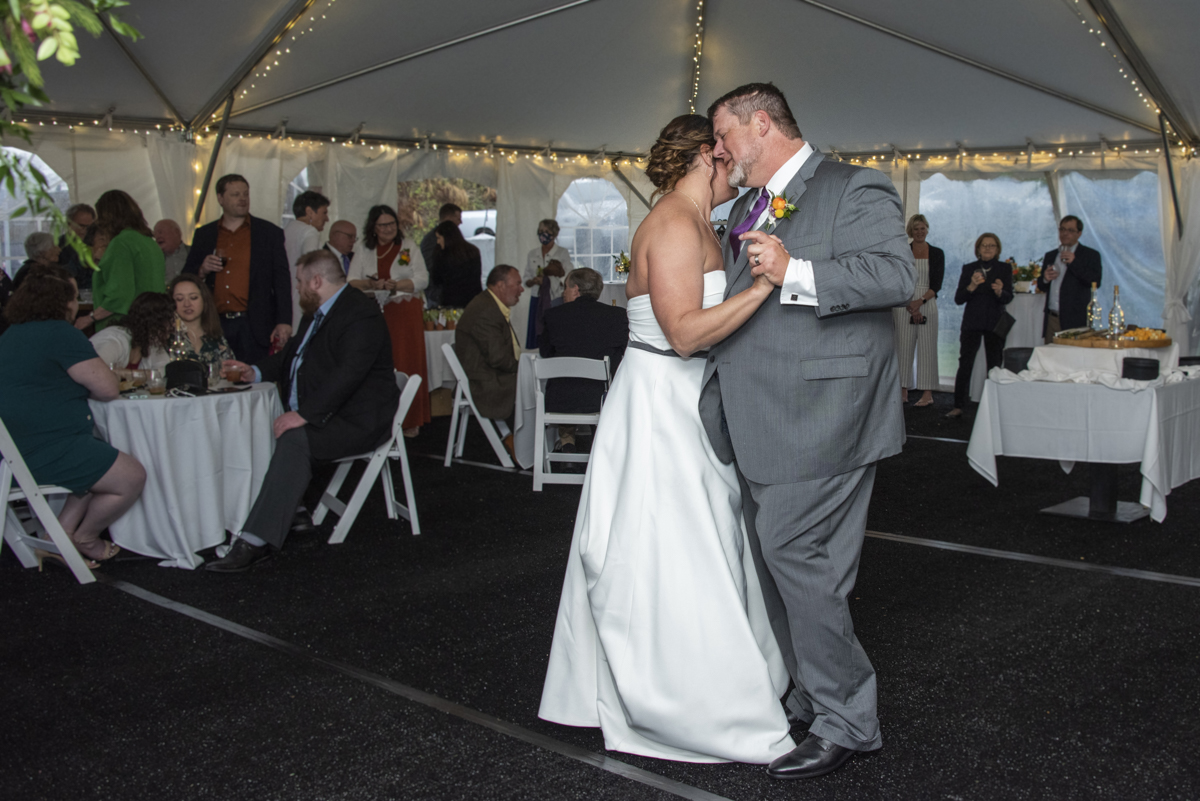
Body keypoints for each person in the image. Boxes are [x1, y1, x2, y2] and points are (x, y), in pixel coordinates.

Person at [540, 114, 793, 765]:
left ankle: (724, 678)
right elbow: (683, 332)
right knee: (680, 546)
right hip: (666, 400)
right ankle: (693, 701)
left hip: (673, 394)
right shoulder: (678, 225)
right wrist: (767, 286)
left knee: (701, 537)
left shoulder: (686, 219)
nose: (740, 164)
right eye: (731, 155)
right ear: (709, 155)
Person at [701, 83, 915, 779]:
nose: (721, 152)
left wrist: (796, 269)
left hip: (825, 413)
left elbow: (894, 275)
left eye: (726, 137)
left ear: (761, 124)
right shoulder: (749, 203)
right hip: (761, 409)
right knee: (802, 567)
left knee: (791, 549)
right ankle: (809, 693)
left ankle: (848, 716)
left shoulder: (857, 187)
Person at [205, 249, 400, 572]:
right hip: (334, 412)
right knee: (258, 425)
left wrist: (305, 414)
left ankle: (254, 541)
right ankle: (288, 507)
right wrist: (254, 370)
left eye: (299, 282)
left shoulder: (360, 313)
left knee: (295, 437)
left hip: (359, 420)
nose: (296, 288)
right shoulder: (319, 311)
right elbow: (292, 355)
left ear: (316, 281)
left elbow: (349, 373)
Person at [0, 264, 145, 566]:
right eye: (76, 296)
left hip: (12, 448)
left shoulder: (12, 334)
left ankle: (57, 539)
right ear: (63, 302)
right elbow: (107, 389)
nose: (78, 303)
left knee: (95, 460)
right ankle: (85, 537)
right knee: (130, 476)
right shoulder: (60, 334)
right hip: (44, 449)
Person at [182, 174, 293, 362]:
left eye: (246, 194)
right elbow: (185, 278)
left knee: (254, 379)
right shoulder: (205, 234)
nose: (242, 199)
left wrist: (284, 321)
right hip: (214, 323)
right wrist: (202, 270)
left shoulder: (268, 233)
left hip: (254, 324)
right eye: (235, 194)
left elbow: (282, 279)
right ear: (220, 199)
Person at [347, 205, 430, 436]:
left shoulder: (408, 247)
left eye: (392, 224)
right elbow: (351, 280)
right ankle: (378, 419)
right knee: (377, 362)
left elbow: (423, 279)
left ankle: (410, 419)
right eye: (383, 225)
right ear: (373, 227)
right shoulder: (363, 249)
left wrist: (396, 285)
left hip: (404, 311)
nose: (388, 229)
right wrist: (372, 284)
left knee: (405, 360)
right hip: (373, 311)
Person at [538, 267, 628, 453]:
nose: (563, 292)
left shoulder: (553, 316)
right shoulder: (617, 316)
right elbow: (621, 356)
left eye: (566, 287)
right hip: (600, 400)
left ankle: (567, 444)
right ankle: (601, 447)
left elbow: (546, 354)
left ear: (576, 289)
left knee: (567, 383)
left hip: (559, 400)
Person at [454, 265, 524, 451]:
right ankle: (526, 444)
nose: (521, 289)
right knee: (540, 385)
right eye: (517, 284)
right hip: (487, 381)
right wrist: (526, 367)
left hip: (487, 373)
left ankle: (524, 441)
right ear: (501, 285)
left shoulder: (488, 304)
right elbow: (498, 359)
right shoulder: (486, 311)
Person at [946, 233, 1014, 419]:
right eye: (984, 245)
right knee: (965, 363)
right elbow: (959, 299)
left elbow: (1009, 297)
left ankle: (994, 404)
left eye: (991, 245)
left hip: (995, 323)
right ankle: (958, 405)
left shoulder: (1004, 269)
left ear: (997, 249)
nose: (987, 248)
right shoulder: (969, 269)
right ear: (977, 249)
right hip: (972, 323)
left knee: (994, 364)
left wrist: (1001, 291)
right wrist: (971, 287)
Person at [87, 190, 165, 332]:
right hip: (153, 320)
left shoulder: (121, 243)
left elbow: (118, 295)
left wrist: (90, 318)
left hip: (124, 327)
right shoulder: (148, 241)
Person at [892, 214, 944, 406]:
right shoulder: (903, 251)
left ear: (927, 229)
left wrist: (919, 302)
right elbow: (898, 280)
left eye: (923, 228)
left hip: (927, 302)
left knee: (927, 348)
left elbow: (937, 285)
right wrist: (910, 303)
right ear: (910, 232)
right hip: (904, 302)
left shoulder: (937, 253)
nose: (920, 232)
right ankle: (903, 390)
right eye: (916, 229)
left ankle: (927, 394)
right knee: (903, 347)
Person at [1037, 215, 1102, 343]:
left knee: (1072, 358)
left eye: (1070, 230)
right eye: (1062, 229)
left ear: (1079, 233)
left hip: (1075, 320)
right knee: (1050, 358)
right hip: (1052, 318)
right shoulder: (1050, 255)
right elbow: (1041, 286)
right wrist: (1045, 278)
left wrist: (1074, 262)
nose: (1065, 233)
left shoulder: (1090, 255)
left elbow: (1095, 282)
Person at [88, 291, 175, 372]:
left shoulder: (151, 341)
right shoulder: (113, 341)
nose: (173, 325)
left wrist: (130, 374)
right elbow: (93, 371)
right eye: (169, 321)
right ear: (154, 323)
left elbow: (163, 372)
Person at [169, 274, 236, 373]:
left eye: (193, 298)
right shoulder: (165, 338)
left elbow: (232, 374)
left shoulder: (217, 339)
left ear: (204, 300)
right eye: (179, 299)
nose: (187, 304)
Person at [285, 190, 330, 327]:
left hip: (286, 298)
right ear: (309, 211)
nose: (327, 218)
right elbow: (311, 269)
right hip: (302, 299)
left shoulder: (288, 229)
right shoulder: (309, 231)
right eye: (324, 212)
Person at [523, 219, 571, 348]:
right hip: (537, 297)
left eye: (546, 231)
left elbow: (568, 276)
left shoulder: (562, 253)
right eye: (540, 231)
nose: (543, 234)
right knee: (537, 331)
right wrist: (534, 281)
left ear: (554, 234)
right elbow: (526, 277)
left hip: (554, 297)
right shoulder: (533, 254)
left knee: (554, 330)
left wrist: (553, 277)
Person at [429, 219, 482, 308]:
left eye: (439, 238)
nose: (438, 242)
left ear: (446, 237)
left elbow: (436, 279)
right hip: (472, 301)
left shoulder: (442, 255)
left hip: (450, 303)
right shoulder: (473, 251)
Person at [57, 202, 95, 289]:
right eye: (81, 226)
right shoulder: (56, 246)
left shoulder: (94, 245)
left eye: (89, 227)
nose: (85, 230)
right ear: (68, 223)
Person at [420, 202, 462, 273]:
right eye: (458, 219)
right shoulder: (431, 239)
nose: (461, 222)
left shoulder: (456, 238)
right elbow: (430, 266)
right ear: (449, 219)